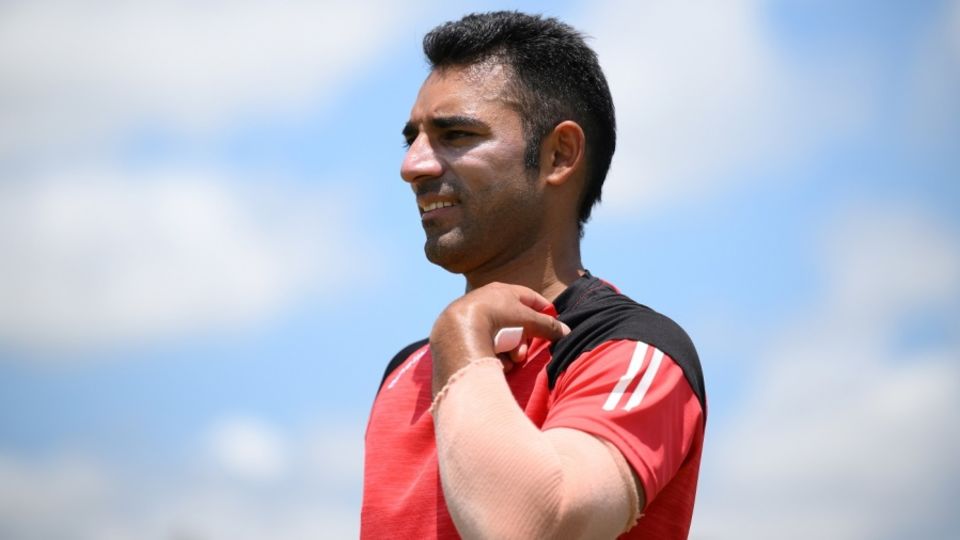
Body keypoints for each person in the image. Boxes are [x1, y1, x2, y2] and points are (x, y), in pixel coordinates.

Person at [361, 11, 705, 539]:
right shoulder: (404, 376)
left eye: (455, 134)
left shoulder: (632, 351)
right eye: (413, 140)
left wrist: (462, 346)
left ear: (559, 155)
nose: (414, 165)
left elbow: (535, 525)